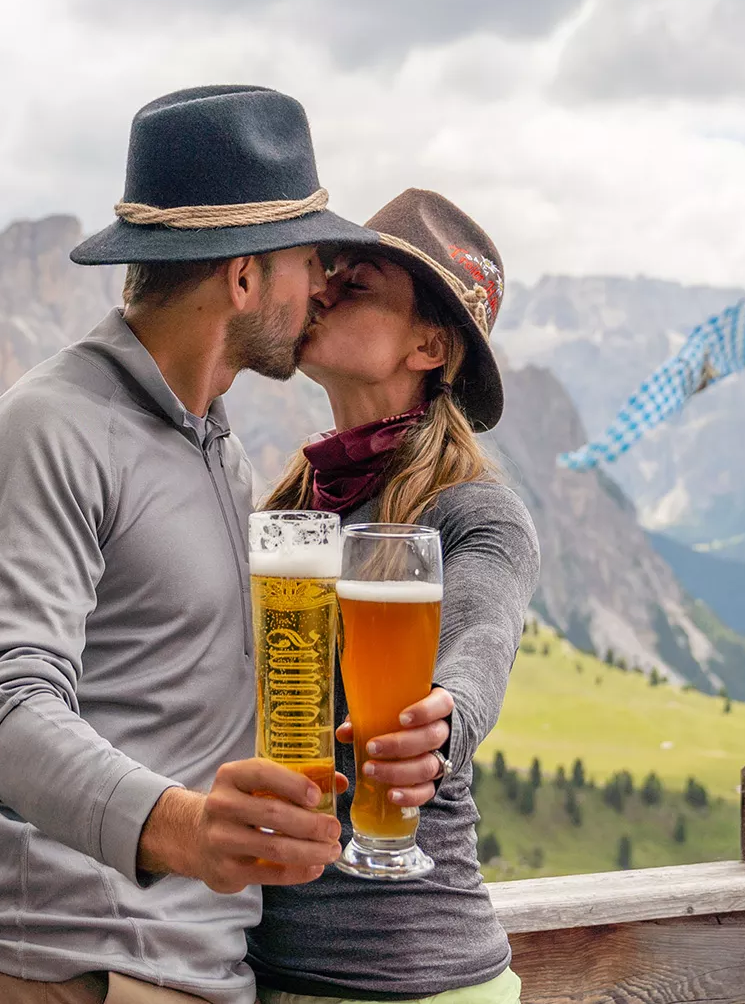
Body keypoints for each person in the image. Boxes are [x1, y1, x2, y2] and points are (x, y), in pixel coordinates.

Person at [0, 86, 382, 1004]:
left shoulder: (221, 451)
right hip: (55, 972)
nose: (324, 282)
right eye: (311, 256)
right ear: (243, 276)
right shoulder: (47, 428)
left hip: (196, 973)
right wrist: (185, 829)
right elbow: (5, 711)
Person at [249, 189, 540, 1003]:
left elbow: (483, 641)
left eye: (360, 284)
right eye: (330, 274)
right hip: (270, 967)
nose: (324, 290)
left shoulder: (474, 509)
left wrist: (442, 722)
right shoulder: (292, 508)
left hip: (415, 974)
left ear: (430, 345)